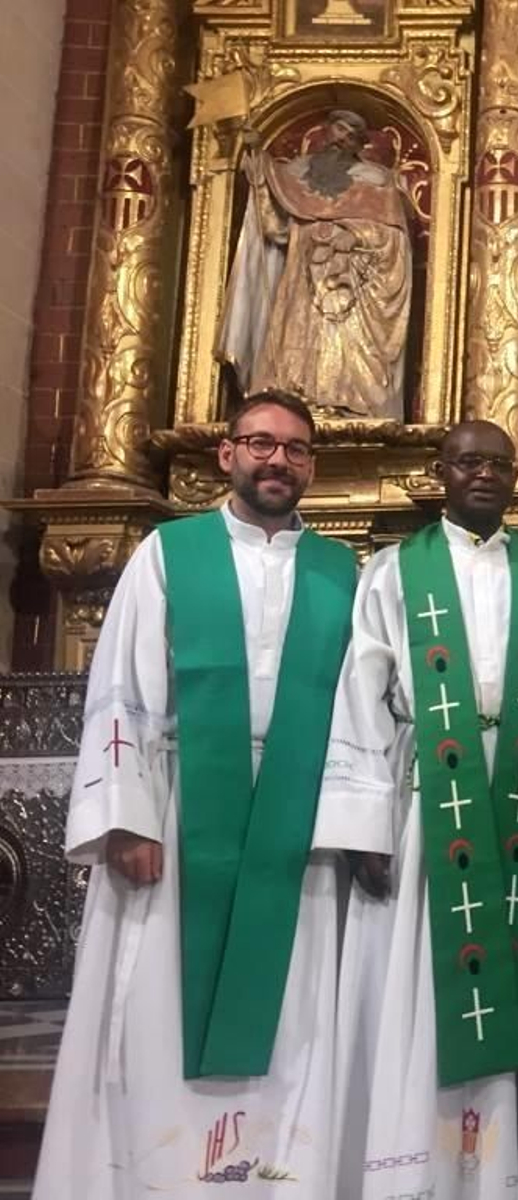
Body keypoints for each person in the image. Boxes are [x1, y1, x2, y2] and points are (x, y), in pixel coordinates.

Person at [34, 391, 357, 1198]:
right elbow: (121, 689)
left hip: (300, 815)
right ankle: (160, 1175)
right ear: (227, 454)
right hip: (179, 808)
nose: (277, 460)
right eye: (261, 443)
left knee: (296, 1003)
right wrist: (129, 817)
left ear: (312, 465)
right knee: (157, 997)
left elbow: (362, 709)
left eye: (295, 450)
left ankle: (279, 1178)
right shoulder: (170, 553)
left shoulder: (341, 568)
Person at [311, 419, 518, 1199]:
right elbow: (362, 695)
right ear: (442, 472)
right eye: (469, 463)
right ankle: (413, 1172)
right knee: (416, 991)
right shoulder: (395, 571)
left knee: (515, 977)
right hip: (430, 803)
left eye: (499, 463)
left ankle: (499, 1173)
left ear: (517, 474)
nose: (485, 476)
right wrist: (365, 828)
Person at [220, 108, 413, 420]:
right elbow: (275, 225)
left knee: (349, 347)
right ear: (326, 131)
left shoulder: (374, 180)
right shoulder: (295, 175)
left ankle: (346, 403)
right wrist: (257, 159)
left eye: (351, 136)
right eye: (339, 130)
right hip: (302, 275)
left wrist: (359, 236)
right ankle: (291, 404)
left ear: (359, 144)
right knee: (295, 338)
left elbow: (393, 235)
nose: (342, 140)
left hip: (353, 283)